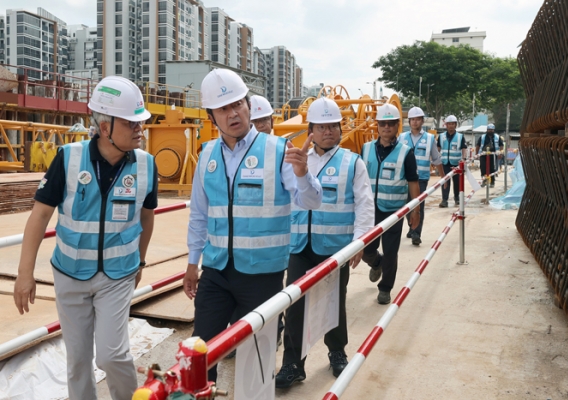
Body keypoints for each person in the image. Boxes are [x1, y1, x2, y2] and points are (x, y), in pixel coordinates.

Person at [13, 75, 158, 400]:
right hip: (70, 275)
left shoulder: (146, 165)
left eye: (141, 122)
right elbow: (39, 216)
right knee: (78, 362)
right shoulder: (68, 158)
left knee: (112, 355)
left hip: (118, 276)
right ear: (105, 127)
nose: (140, 129)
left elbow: (147, 217)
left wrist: (140, 261)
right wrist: (25, 274)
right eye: (132, 123)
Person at [183, 68, 322, 382]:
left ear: (248, 105)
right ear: (211, 116)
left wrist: (302, 174)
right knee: (200, 350)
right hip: (216, 271)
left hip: (262, 274)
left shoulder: (277, 150)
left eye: (239, 104)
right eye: (224, 109)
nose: (234, 113)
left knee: (257, 357)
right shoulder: (206, 156)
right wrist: (193, 262)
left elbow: (311, 202)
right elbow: (199, 216)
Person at [275, 98, 374, 388]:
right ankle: (293, 364)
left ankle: (336, 352)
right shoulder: (294, 159)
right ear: (311, 130)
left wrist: (360, 243)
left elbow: (365, 205)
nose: (328, 131)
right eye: (322, 126)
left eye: (333, 126)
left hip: (335, 247)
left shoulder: (352, 162)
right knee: (294, 305)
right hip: (299, 246)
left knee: (333, 302)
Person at [361, 103, 420, 305]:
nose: (387, 127)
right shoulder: (366, 149)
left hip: (394, 211)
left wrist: (415, 210)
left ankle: (385, 287)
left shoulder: (406, 152)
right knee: (365, 250)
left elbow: (413, 182)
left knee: (391, 251)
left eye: (391, 124)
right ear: (377, 125)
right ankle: (375, 263)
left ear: (397, 126)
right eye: (383, 123)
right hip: (369, 211)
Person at [399, 106, 445, 246]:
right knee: (407, 205)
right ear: (409, 121)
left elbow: (436, 159)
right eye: (412, 119)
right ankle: (412, 225)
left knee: (419, 206)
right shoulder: (402, 138)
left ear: (422, 121)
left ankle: (416, 234)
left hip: (422, 178)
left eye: (417, 119)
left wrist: (443, 177)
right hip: (405, 178)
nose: (414, 122)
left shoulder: (430, 138)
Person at [437, 115, 467, 207]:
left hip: (456, 164)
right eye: (449, 124)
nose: (450, 126)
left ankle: (457, 198)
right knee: (445, 182)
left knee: (457, 182)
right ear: (446, 125)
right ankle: (444, 200)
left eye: (452, 124)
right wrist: (436, 160)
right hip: (444, 163)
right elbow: (437, 149)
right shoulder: (441, 136)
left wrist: (464, 159)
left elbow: (464, 149)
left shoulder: (460, 137)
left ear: (455, 125)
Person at [476, 123, 504, 188]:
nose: (490, 131)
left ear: (493, 130)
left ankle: (492, 182)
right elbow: (478, 145)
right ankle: (484, 181)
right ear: (487, 130)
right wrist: (477, 154)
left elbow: (501, 145)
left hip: (493, 155)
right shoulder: (482, 137)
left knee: (492, 168)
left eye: (492, 130)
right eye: (489, 130)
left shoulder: (497, 137)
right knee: (483, 168)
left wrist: (500, 153)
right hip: (483, 155)